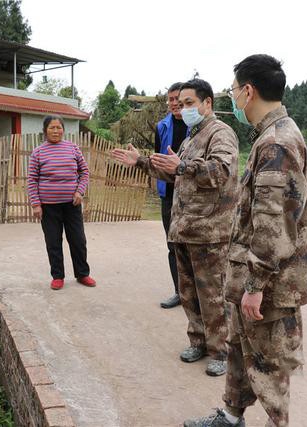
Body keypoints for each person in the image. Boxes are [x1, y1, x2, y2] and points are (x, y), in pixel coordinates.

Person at [184, 55, 307, 427]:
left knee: (270, 365)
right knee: (240, 350)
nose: (232, 98)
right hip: (253, 276)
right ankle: (230, 416)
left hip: (270, 284)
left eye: (232, 91)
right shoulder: (272, 137)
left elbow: (272, 223)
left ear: (248, 91)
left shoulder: (277, 143)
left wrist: (256, 284)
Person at [112, 79, 239, 376]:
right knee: (190, 293)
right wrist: (142, 161)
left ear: (208, 103)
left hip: (209, 232)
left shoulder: (220, 133)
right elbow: (175, 175)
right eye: (181, 105)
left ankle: (222, 350)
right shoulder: (191, 138)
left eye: (189, 103)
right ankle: (199, 341)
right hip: (185, 230)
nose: (183, 109)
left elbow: (221, 172)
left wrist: (182, 167)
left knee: (213, 295)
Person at [27, 115, 96, 290]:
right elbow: (32, 179)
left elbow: (84, 172)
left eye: (59, 127)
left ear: (63, 130)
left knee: (78, 240)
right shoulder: (38, 152)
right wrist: (36, 204)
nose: (56, 131)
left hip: (71, 205)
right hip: (49, 207)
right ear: (45, 131)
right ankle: (57, 276)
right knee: (53, 241)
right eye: (52, 127)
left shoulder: (73, 148)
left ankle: (82, 274)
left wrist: (80, 191)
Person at [154, 82, 188, 309]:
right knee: (172, 245)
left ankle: (195, 293)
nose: (174, 103)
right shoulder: (162, 127)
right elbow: (158, 159)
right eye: (171, 99)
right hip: (168, 194)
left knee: (192, 247)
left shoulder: (195, 125)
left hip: (191, 195)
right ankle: (179, 292)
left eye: (178, 99)